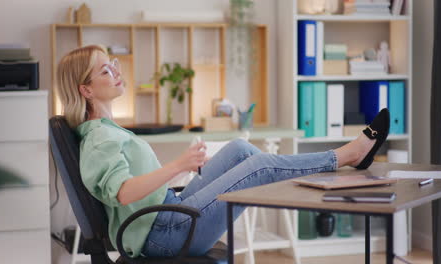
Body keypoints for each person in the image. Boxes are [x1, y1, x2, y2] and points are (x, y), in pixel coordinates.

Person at [56, 45, 390, 258]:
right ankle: (347, 155)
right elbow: (124, 193)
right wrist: (178, 165)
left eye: (112, 63)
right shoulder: (99, 138)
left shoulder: (109, 131)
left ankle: (338, 164)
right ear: (85, 90)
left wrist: (188, 168)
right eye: (104, 70)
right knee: (260, 167)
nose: (115, 71)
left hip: (170, 211)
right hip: (165, 233)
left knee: (240, 150)